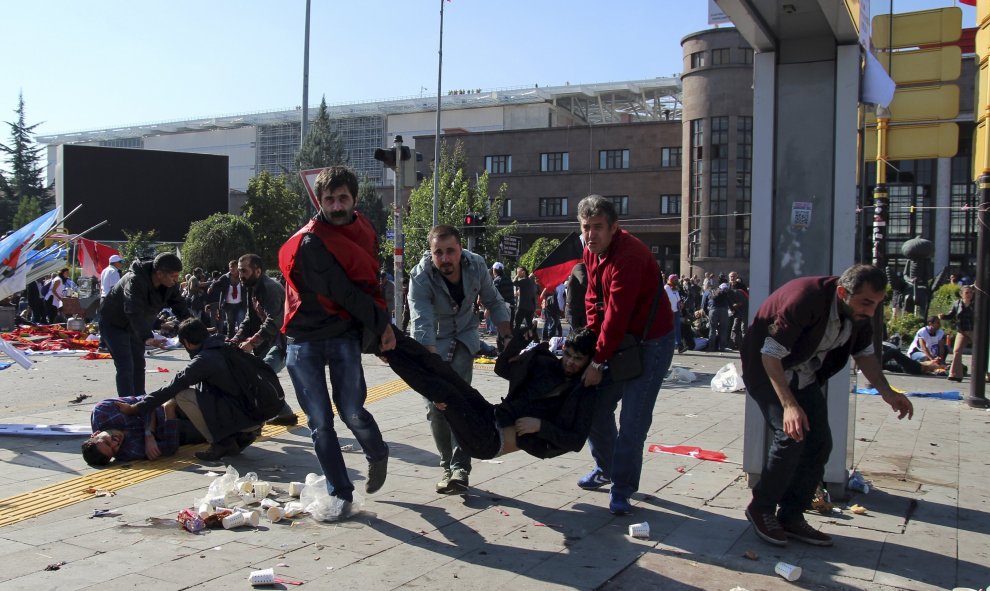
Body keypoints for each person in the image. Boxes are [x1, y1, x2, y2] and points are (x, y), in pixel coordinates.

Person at [741, 264, 913, 548]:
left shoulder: (858, 313)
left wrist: (887, 391)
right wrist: (789, 406)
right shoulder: (805, 299)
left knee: (820, 443)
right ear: (844, 293)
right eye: (866, 303)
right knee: (790, 436)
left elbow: (865, 354)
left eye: (877, 304)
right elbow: (770, 356)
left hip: (805, 374)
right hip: (767, 370)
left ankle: (792, 516)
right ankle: (761, 508)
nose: (871, 311)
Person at [279, 165, 394, 511]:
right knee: (320, 423)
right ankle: (341, 494)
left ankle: (377, 451)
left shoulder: (364, 231)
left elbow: (369, 282)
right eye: (329, 199)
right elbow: (344, 291)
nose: (336, 205)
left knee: (352, 410)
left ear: (354, 199)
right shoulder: (312, 241)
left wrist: (379, 328)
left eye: (343, 198)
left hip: (342, 331)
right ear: (320, 200)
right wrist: (383, 325)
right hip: (304, 337)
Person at [575, 195, 674, 516]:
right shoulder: (591, 251)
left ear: (614, 227)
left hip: (652, 342)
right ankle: (607, 467)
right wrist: (590, 340)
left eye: (598, 228)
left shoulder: (628, 256)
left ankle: (622, 487)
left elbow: (617, 315)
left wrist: (598, 362)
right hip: (619, 340)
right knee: (595, 406)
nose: (591, 235)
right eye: (586, 227)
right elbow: (593, 298)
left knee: (633, 420)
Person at [383, 326, 597, 459]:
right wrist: (519, 342)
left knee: (444, 393)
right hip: (489, 414)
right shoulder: (545, 364)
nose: (570, 362)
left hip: (490, 441)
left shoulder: (582, 393)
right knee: (441, 369)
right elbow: (502, 368)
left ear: (588, 361)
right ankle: (386, 332)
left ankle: (387, 354)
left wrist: (540, 426)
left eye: (578, 359)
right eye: (568, 355)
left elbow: (576, 441)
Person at [408, 224, 512, 493]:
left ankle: (460, 469)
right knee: (436, 406)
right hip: (433, 342)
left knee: (457, 402)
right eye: (438, 252)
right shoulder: (420, 276)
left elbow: (494, 300)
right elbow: (422, 322)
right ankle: (447, 466)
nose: (444, 258)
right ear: (431, 254)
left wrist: (507, 336)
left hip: (465, 337)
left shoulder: (476, 265)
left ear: (460, 250)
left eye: (450, 251)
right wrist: (432, 373)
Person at [113, 318, 265, 461]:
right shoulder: (225, 346)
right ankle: (239, 435)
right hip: (256, 412)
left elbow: (171, 388)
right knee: (205, 392)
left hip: (242, 415)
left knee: (182, 395)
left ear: (188, 343)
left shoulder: (203, 360)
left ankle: (222, 443)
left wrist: (136, 408)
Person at [99, 253, 191, 397]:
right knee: (126, 365)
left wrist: (197, 329)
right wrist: (147, 337)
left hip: (136, 326)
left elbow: (181, 308)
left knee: (138, 364)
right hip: (114, 324)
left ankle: (141, 401)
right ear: (159, 273)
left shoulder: (170, 286)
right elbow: (133, 310)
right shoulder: (134, 280)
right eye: (173, 276)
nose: (176, 280)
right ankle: (127, 404)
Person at [233, 253, 297, 425]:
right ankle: (285, 414)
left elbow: (275, 321)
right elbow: (250, 318)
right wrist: (236, 338)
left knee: (259, 376)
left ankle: (255, 420)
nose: (240, 275)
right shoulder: (251, 287)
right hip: (267, 343)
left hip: (282, 343)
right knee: (261, 377)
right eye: (239, 271)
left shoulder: (271, 288)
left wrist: (252, 342)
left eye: (243, 271)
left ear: (258, 271)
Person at [82, 397, 203, 466]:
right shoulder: (128, 452)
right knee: (215, 430)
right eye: (113, 450)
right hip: (176, 427)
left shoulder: (104, 411)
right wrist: (169, 411)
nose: (115, 444)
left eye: (107, 442)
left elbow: (148, 401)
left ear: (96, 434)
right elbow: (170, 447)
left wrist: (149, 434)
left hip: (169, 403)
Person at [939, 285, 975, 382]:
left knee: (979, 352)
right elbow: (951, 315)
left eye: (971, 292)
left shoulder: (976, 303)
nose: (969, 295)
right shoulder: (957, 303)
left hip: (974, 331)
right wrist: (943, 316)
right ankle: (955, 374)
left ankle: (983, 374)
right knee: (956, 351)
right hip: (962, 330)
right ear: (961, 294)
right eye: (966, 293)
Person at [207, 260, 246, 339]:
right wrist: (211, 287)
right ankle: (231, 342)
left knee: (241, 323)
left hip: (240, 305)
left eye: (233, 267)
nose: (231, 269)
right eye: (230, 267)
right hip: (229, 305)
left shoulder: (242, 276)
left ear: (238, 268)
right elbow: (216, 282)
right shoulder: (225, 277)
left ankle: (240, 341)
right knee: (230, 324)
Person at [512, 266, 538, 331]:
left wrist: (517, 276)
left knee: (517, 324)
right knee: (529, 325)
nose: (517, 274)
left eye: (518, 272)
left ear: (523, 272)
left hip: (522, 306)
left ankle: (515, 338)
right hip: (530, 307)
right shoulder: (530, 281)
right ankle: (535, 339)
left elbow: (513, 282)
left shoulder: (524, 281)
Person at [492, 262, 516, 327]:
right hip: (511, 307)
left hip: (502, 308)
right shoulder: (509, 279)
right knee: (510, 329)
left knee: (502, 330)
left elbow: (494, 295)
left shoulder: (496, 281)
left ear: (494, 270)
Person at [664, 274, 683, 353]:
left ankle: (679, 345)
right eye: (675, 280)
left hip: (676, 311)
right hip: (668, 311)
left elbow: (677, 298)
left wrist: (680, 303)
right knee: (668, 329)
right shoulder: (666, 288)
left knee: (677, 328)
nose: (677, 282)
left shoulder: (675, 288)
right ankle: (666, 345)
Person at [565, 262, 588, 330]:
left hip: (582, 309)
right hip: (574, 310)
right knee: (578, 335)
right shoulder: (579, 267)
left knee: (582, 335)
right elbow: (584, 280)